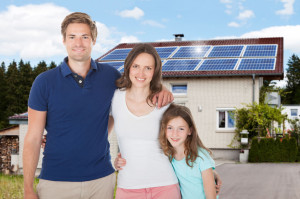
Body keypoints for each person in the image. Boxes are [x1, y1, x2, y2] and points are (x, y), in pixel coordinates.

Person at [23, 12, 172, 199]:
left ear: (93, 40)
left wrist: (163, 88)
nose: (79, 43)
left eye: (85, 37)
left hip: (101, 181)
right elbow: (33, 139)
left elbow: (140, 80)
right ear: (63, 40)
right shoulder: (44, 82)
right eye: (72, 37)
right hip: (56, 182)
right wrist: (28, 189)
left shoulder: (110, 77)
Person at [111, 43, 181, 199]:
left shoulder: (164, 103)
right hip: (128, 188)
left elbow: (185, 141)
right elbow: (96, 133)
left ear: (154, 71)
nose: (141, 73)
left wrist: (209, 169)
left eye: (148, 68)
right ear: (128, 67)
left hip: (165, 186)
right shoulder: (115, 98)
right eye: (136, 66)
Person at [159, 103, 217, 199]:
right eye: (170, 128)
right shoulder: (169, 156)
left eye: (181, 129)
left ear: (190, 131)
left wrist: (214, 174)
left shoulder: (201, 157)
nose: (174, 133)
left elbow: (211, 196)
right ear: (164, 130)